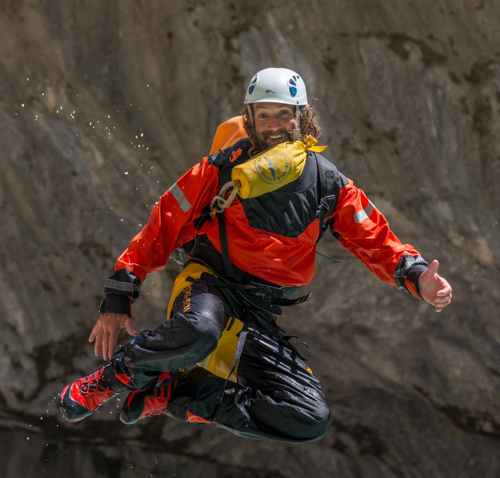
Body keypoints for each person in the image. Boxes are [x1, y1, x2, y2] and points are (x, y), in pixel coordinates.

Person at [59, 67, 452, 443]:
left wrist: (418, 276)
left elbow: (376, 239)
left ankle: (173, 395)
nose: (275, 123)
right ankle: (109, 380)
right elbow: (158, 230)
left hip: (260, 314)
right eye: (264, 114)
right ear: (249, 118)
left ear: (302, 118)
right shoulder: (218, 170)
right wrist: (118, 296)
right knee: (200, 330)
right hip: (210, 286)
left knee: (309, 418)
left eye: (284, 113)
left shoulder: (327, 181)